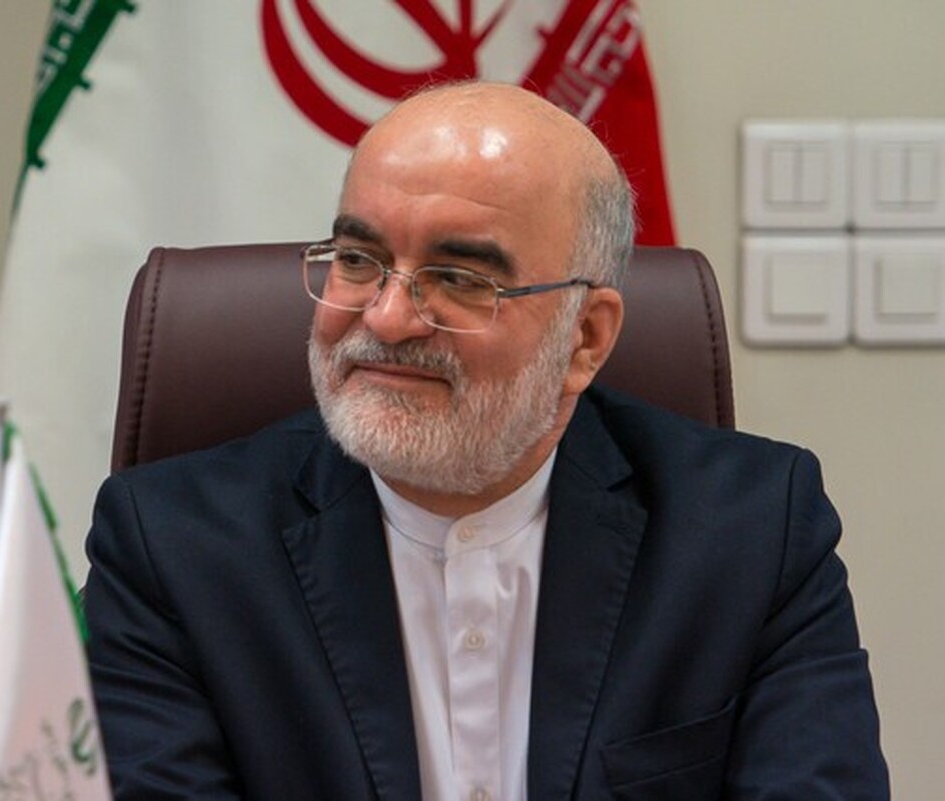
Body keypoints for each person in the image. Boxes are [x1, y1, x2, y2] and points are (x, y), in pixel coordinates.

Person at [83, 82, 888, 800]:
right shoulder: (170, 549)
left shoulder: (755, 533)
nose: (387, 318)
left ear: (585, 337)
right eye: (358, 259)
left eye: (460, 279)